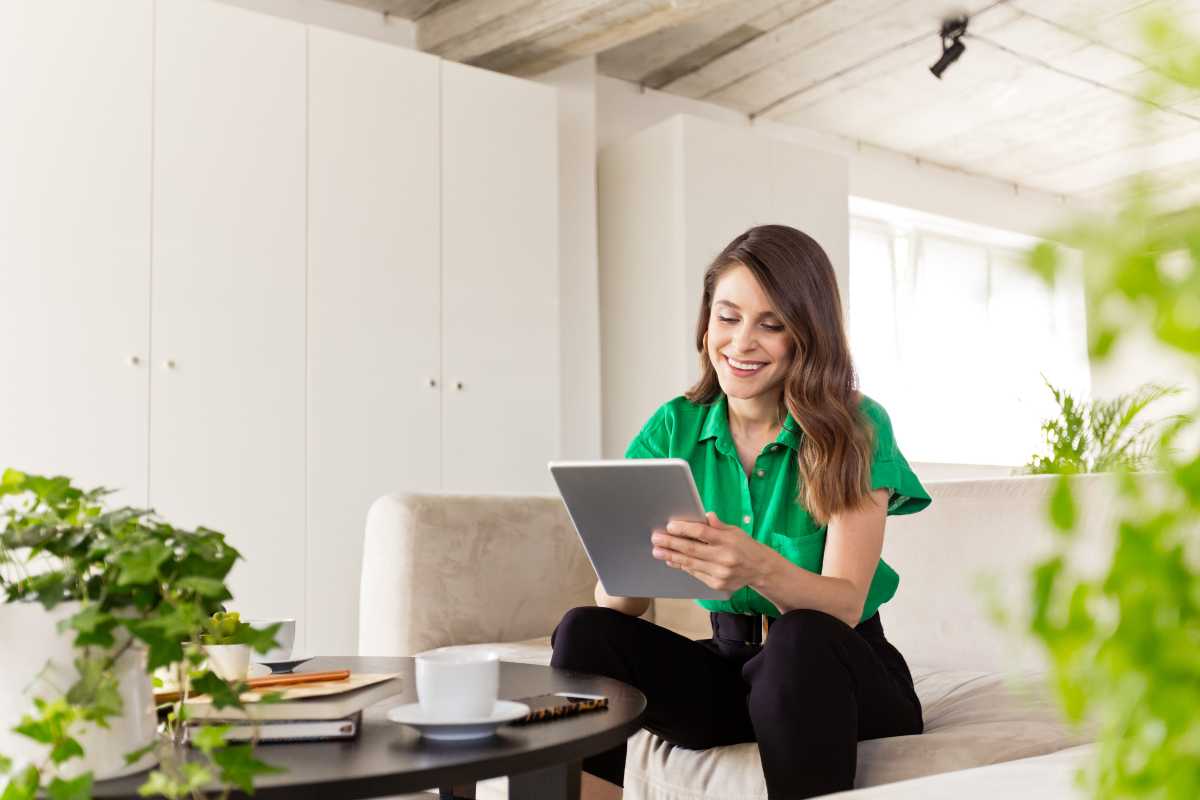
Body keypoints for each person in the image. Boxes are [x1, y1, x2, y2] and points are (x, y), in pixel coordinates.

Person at [550, 224, 932, 800]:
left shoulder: (856, 427)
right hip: (731, 671)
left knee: (800, 637)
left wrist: (756, 566)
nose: (741, 342)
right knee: (583, 630)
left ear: (808, 335)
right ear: (706, 323)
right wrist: (628, 566)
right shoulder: (674, 427)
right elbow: (621, 605)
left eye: (771, 325)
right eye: (727, 318)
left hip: (837, 674)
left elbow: (846, 603)